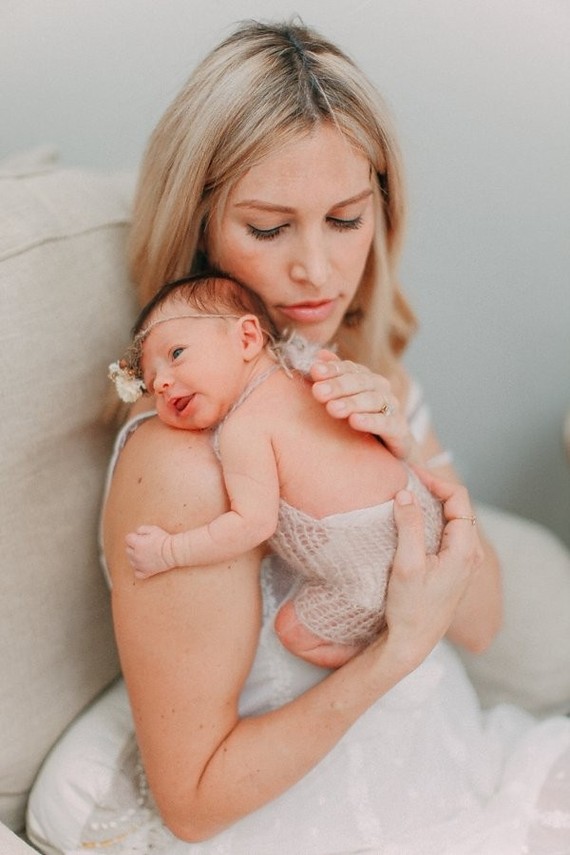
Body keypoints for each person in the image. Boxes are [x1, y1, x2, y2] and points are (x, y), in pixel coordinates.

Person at [28, 19, 570, 855]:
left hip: (444, 753)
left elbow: (484, 620)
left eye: (346, 218)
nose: (316, 270)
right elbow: (194, 801)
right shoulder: (183, 451)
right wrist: (390, 656)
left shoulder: (365, 376)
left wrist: (402, 455)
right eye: (270, 229)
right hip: (291, 812)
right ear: (202, 227)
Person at [110, 271, 445, 668]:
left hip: (369, 574)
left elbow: (253, 524)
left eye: (177, 354)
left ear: (247, 338)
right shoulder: (307, 366)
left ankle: (380, 655)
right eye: (151, 382)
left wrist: (169, 551)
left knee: (294, 631)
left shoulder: (243, 428)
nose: (163, 383)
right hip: (422, 511)